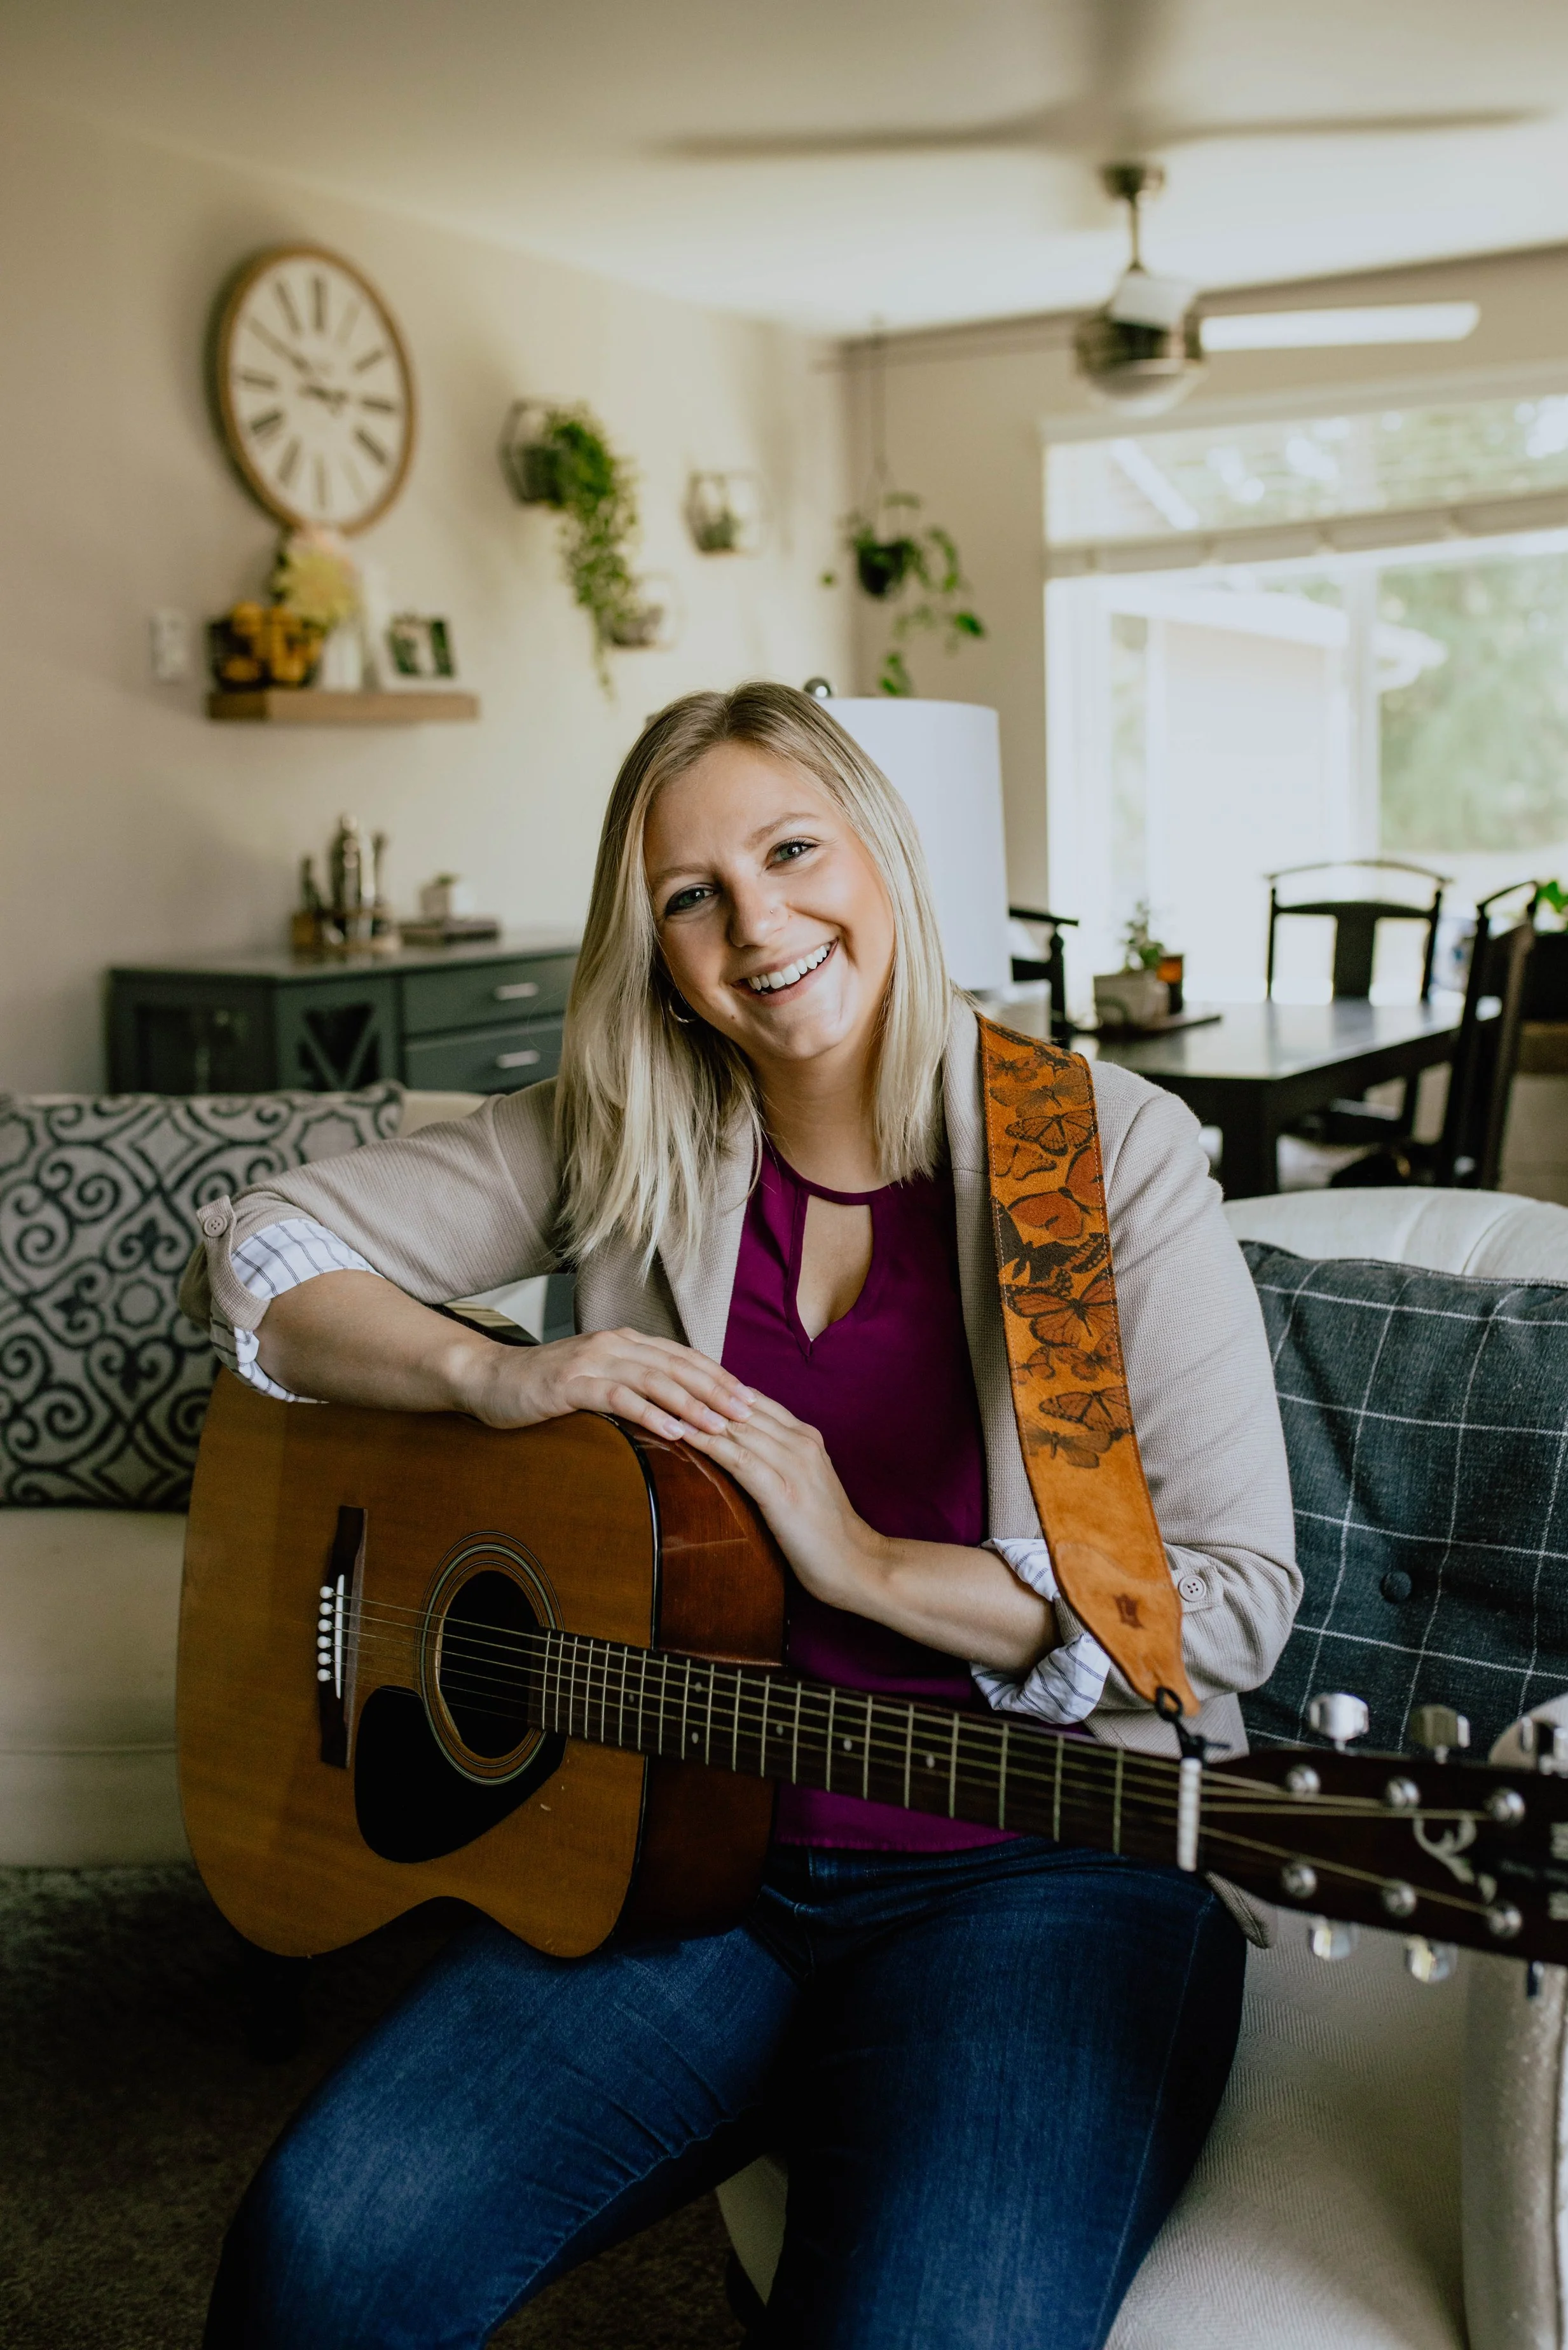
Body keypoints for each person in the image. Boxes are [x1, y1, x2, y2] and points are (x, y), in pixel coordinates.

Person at [191, 682, 1299, 2349]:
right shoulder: (631, 1134)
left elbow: (1219, 1603)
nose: (756, 922)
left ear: (884, 857)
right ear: (652, 950)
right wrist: (489, 1378)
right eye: (689, 897)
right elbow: (265, 1254)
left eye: (792, 851)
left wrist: (853, 1556)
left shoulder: (1083, 1159)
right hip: (686, 1844)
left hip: (1045, 1870)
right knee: (322, 2251)